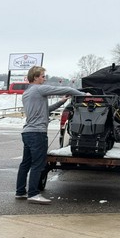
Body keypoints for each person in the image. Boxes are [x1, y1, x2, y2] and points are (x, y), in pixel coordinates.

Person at [17, 66, 89, 204]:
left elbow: (46, 110)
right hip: (38, 133)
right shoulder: (39, 89)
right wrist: (85, 95)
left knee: (25, 163)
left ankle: (20, 191)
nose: (45, 79)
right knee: (38, 164)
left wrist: (61, 102)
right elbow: (68, 89)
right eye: (43, 76)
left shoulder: (27, 93)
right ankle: (33, 194)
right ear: (36, 77)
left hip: (27, 133)